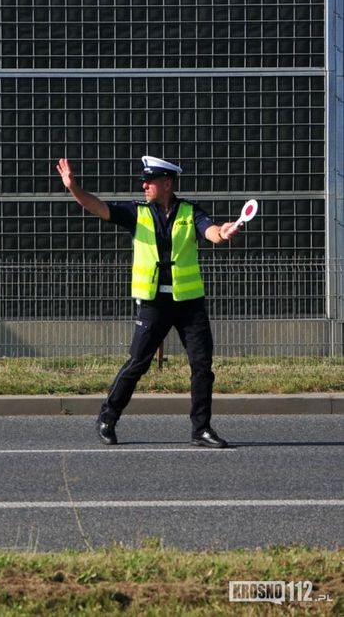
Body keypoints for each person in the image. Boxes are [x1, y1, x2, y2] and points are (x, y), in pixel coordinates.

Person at [55, 155, 241, 448]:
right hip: (154, 303)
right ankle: (107, 418)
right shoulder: (136, 212)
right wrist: (73, 188)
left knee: (202, 366)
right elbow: (98, 207)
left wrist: (223, 232)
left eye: (149, 181)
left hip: (189, 303)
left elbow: (211, 232)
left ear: (166, 183)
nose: (144, 186)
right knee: (137, 363)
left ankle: (201, 429)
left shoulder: (190, 211)